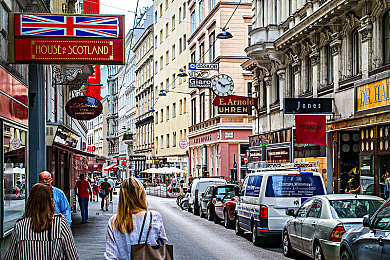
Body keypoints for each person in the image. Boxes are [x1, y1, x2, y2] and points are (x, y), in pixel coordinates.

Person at [4, 183, 79, 260]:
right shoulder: (60, 223)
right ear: (51, 201)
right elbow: (72, 256)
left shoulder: (20, 226)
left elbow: (10, 256)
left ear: (30, 201)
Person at [104, 177, 168, 259]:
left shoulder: (114, 221)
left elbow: (111, 256)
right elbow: (164, 245)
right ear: (141, 195)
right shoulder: (154, 217)